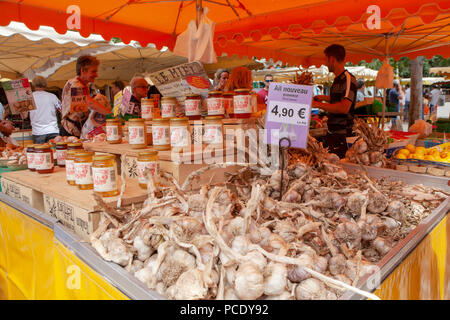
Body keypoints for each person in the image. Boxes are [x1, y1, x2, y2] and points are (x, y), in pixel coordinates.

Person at [312, 44, 357, 159]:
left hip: (343, 136)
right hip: (334, 134)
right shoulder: (338, 80)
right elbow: (338, 99)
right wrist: (324, 98)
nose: (325, 64)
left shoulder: (347, 78)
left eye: (326, 60)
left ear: (332, 59)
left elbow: (344, 107)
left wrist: (318, 104)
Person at [60, 55, 111, 137]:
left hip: (78, 128)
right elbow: (90, 103)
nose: (96, 75)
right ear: (83, 71)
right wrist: (111, 115)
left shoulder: (85, 85)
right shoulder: (75, 84)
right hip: (69, 131)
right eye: (93, 71)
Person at [29, 76, 61, 144]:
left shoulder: (30, 98)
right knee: (54, 152)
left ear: (33, 84)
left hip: (38, 132)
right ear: (45, 84)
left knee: (40, 153)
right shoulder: (52, 96)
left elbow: (24, 115)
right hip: (52, 130)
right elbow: (62, 109)